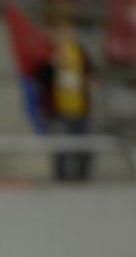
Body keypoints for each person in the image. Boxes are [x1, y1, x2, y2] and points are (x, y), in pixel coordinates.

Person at [31, 4, 94, 182]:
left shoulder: (80, 53)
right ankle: (62, 182)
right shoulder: (47, 55)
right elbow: (39, 79)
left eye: (67, 31)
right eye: (59, 32)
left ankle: (84, 181)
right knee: (61, 150)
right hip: (58, 112)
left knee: (85, 148)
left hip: (80, 109)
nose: (64, 36)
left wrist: (87, 80)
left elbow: (90, 74)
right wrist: (52, 64)